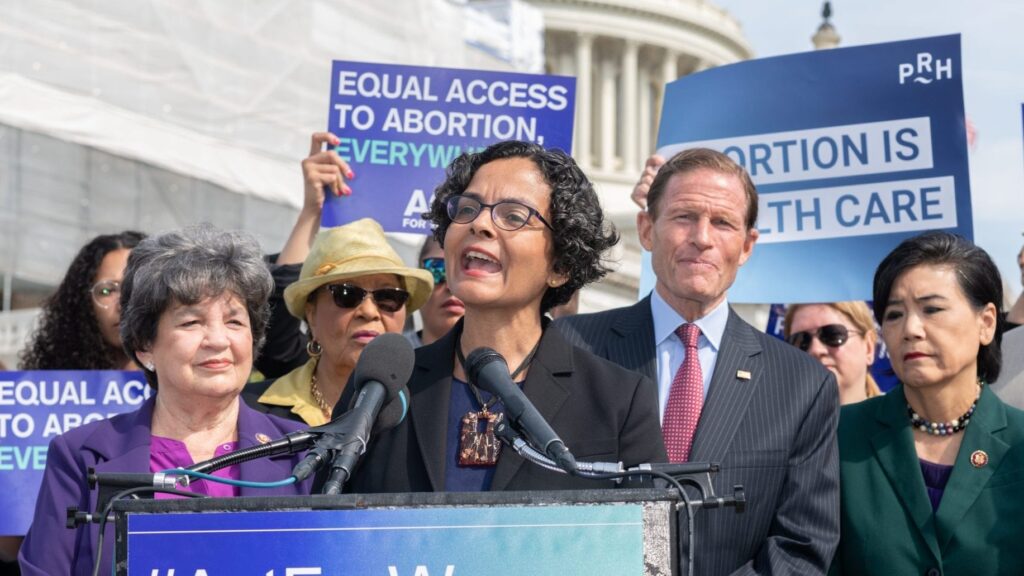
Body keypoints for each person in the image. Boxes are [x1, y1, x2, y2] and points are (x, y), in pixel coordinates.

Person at [555, 148, 839, 575]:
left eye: (722, 223)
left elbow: (800, 545)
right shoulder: (571, 347)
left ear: (746, 246)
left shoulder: (802, 384)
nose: (702, 237)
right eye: (685, 216)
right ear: (647, 229)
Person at [348, 140, 665, 494]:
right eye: (467, 209)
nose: (479, 224)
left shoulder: (619, 399)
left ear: (560, 266)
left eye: (513, 216)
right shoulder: (382, 389)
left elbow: (646, 541)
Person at [18, 225, 311, 576]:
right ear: (145, 345)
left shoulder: (302, 452)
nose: (218, 340)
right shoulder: (79, 455)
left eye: (235, 321)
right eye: (191, 322)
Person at [833, 231, 1024, 575]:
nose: (911, 329)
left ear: (987, 323)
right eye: (893, 314)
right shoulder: (839, 436)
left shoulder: (1020, 441)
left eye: (932, 309)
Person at [243, 218, 433, 426]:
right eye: (347, 294)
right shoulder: (248, 411)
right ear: (312, 314)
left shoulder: (430, 415)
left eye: (388, 297)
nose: (369, 312)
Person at [19, 231, 145, 370]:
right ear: (84, 302)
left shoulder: (172, 384)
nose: (122, 304)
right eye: (106, 291)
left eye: (134, 287)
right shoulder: (44, 388)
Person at [784, 302, 882, 405]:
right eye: (801, 341)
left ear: (868, 347)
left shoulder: (897, 419)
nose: (815, 350)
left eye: (833, 335)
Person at [405, 236, 465, 348]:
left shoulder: (506, 362)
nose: (450, 287)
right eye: (437, 269)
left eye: (464, 272)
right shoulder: (385, 362)